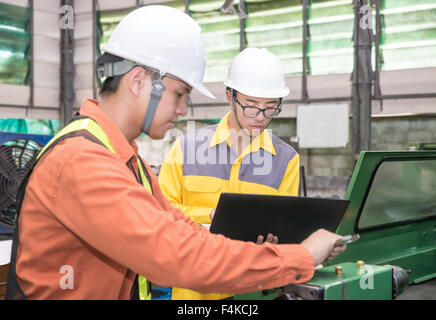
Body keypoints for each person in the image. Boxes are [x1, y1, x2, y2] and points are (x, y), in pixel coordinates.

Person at [6, 5, 346, 300]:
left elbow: (179, 227)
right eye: (180, 93)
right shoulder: (83, 161)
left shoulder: (124, 157)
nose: (183, 109)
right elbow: (177, 255)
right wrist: (299, 257)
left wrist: (286, 249)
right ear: (139, 81)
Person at [158, 48, 304, 300]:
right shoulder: (186, 148)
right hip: (197, 291)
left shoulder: (286, 159)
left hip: (255, 290)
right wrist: (212, 217)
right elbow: (160, 213)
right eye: (251, 106)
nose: (260, 117)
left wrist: (274, 239)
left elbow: (286, 226)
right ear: (230, 96)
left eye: (270, 108)